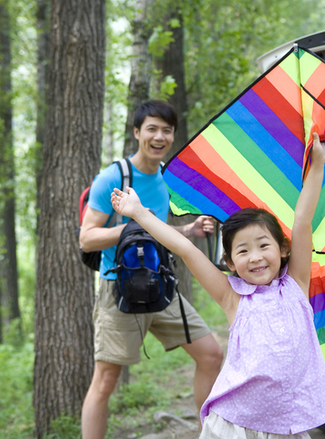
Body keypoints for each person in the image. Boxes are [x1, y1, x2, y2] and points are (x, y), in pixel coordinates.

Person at [111, 132, 325, 438]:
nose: (255, 257)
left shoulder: (296, 284)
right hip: (238, 425)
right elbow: (186, 249)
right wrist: (138, 213)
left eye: (263, 245)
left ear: (283, 248)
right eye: (243, 251)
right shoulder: (234, 297)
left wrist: (318, 165)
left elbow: (302, 219)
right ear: (230, 263)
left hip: (287, 424)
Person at [79, 100, 224, 439]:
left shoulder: (163, 177)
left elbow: (157, 228)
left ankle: (209, 434)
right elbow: (87, 238)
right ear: (137, 133)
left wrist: (189, 231)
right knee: (105, 381)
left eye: (167, 130)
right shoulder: (112, 177)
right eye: (152, 129)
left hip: (161, 286)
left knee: (212, 354)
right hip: (120, 288)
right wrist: (134, 226)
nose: (160, 137)